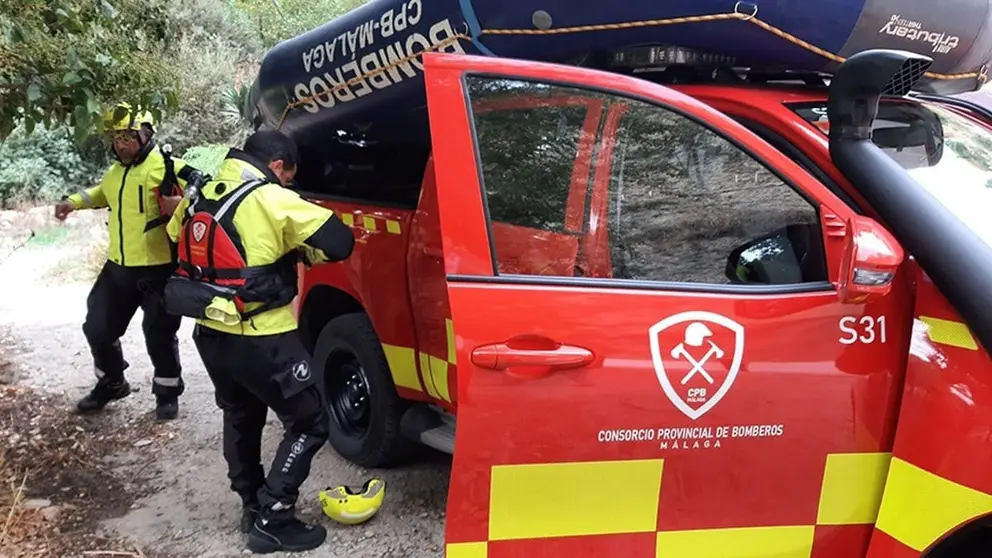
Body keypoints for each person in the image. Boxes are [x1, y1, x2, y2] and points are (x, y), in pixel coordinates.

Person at [163, 129, 355, 553]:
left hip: (210, 333)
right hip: (261, 335)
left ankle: (250, 504)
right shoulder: (272, 198)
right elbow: (341, 243)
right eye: (288, 176)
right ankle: (274, 516)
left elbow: (178, 237)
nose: (287, 183)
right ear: (277, 166)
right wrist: (296, 244)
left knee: (240, 412)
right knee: (309, 420)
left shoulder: (202, 191)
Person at [54, 103, 201, 420]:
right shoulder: (114, 173)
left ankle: (167, 392)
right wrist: (72, 202)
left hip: (159, 268)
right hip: (119, 267)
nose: (121, 144)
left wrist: (182, 202)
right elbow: (101, 194)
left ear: (146, 134)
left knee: (158, 331)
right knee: (97, 327)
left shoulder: (168, 165)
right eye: (116, 137)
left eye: (128, 137)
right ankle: (112, 382)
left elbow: (206, 184)